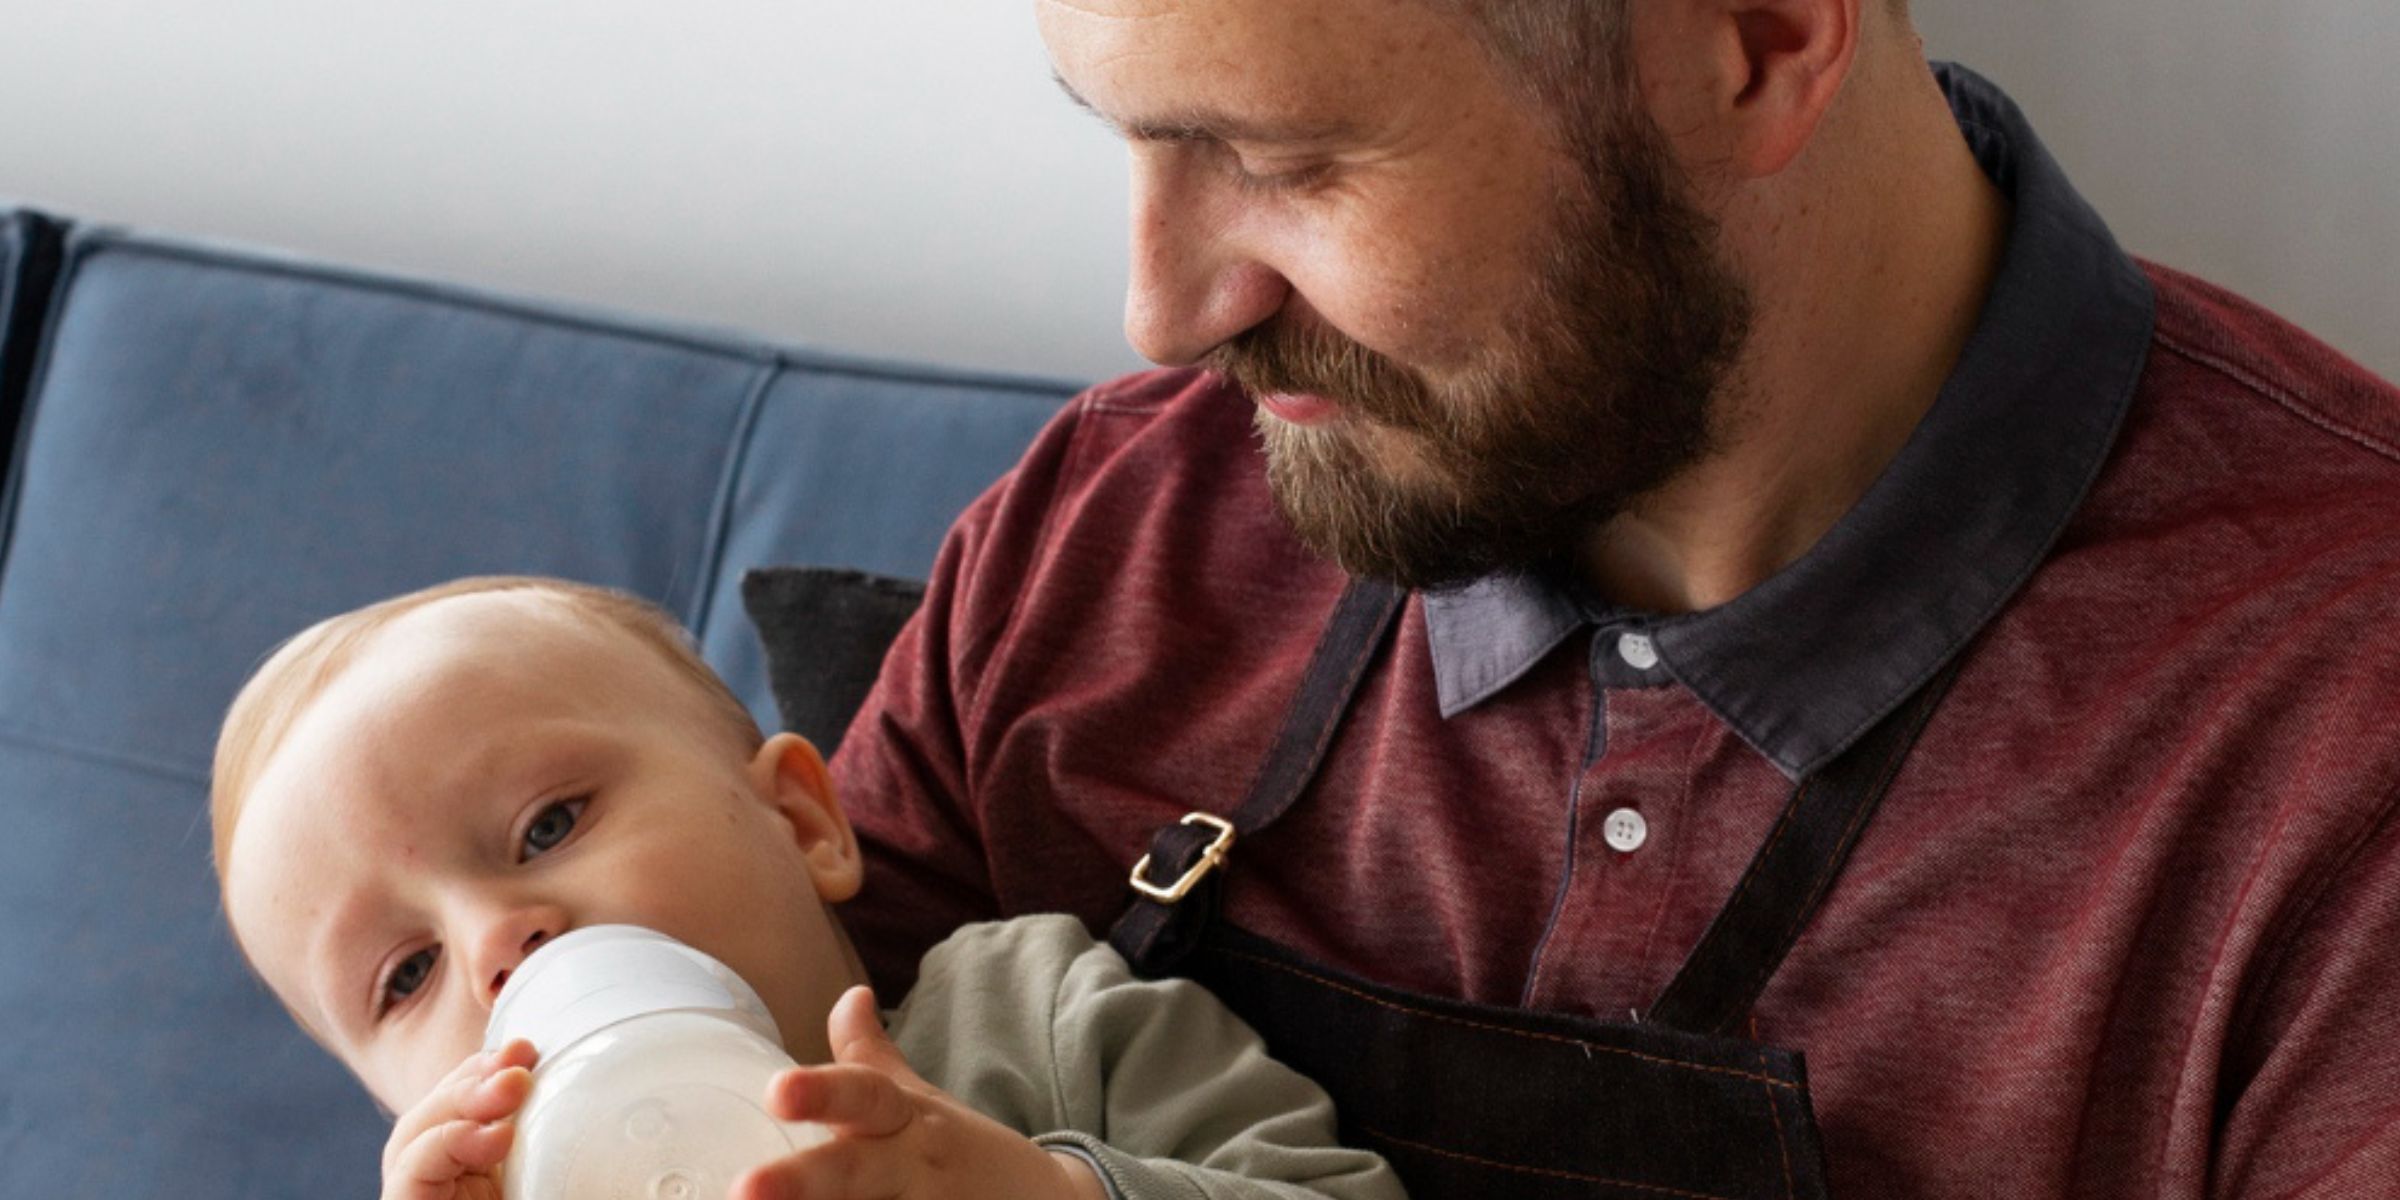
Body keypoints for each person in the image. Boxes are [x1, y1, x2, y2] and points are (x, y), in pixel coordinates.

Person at [828, 0, 2400, 1196]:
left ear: (1761, 44)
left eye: (1286, 163)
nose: (1162, 314)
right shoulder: (1105, 531)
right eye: (1133, 139)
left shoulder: (2343, 751)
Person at [207, 576, 1405, 1200]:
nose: (497, 946)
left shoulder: (1031, 1017)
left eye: (548, 824)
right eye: (406, 976)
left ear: (803, 820)